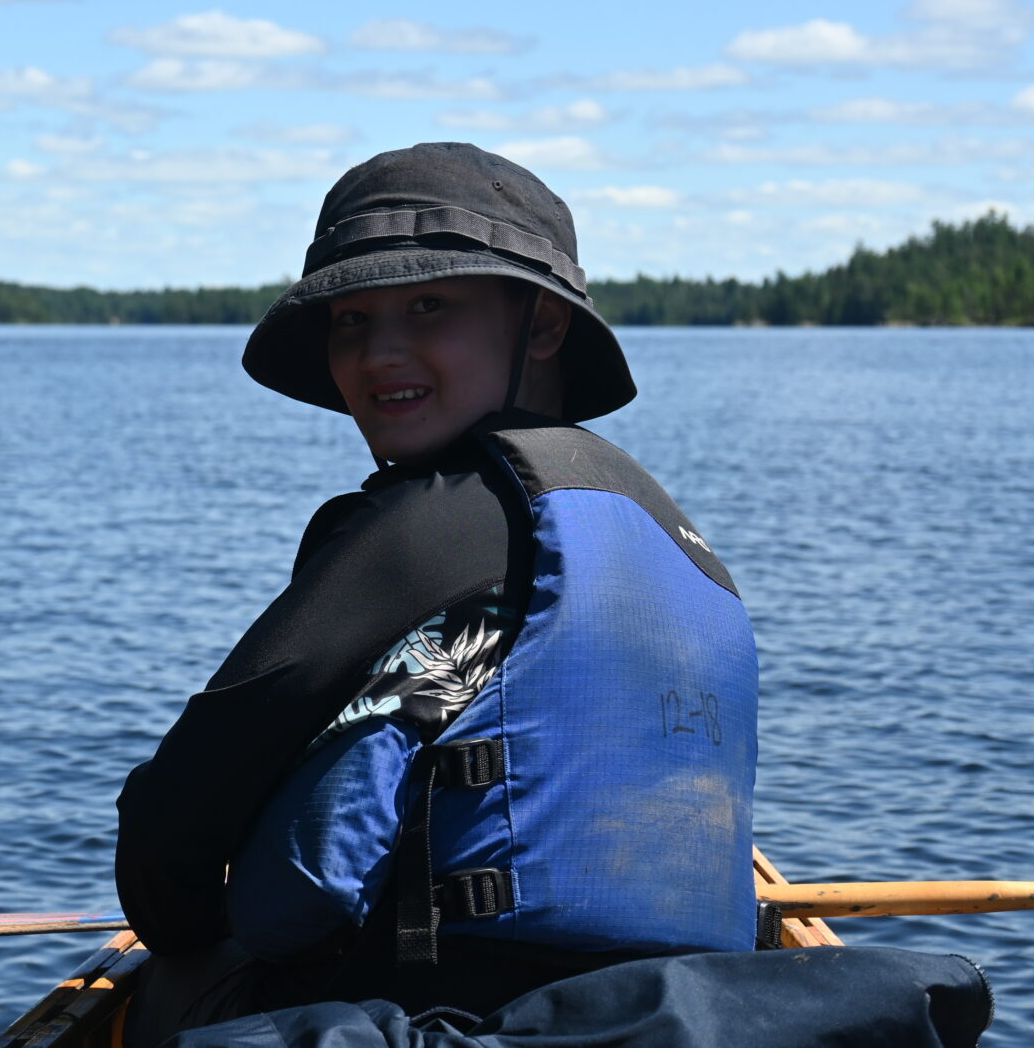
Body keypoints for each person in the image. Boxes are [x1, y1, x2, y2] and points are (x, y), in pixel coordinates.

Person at [113, 143, 764, 1045]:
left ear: (541, 325)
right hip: (672, 1013)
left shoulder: (430, 523)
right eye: (349, 320)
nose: (379, 353)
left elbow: (171, 827)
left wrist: (186, 936)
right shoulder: (682, 544)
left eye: (428, 306)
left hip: (447, 1020)